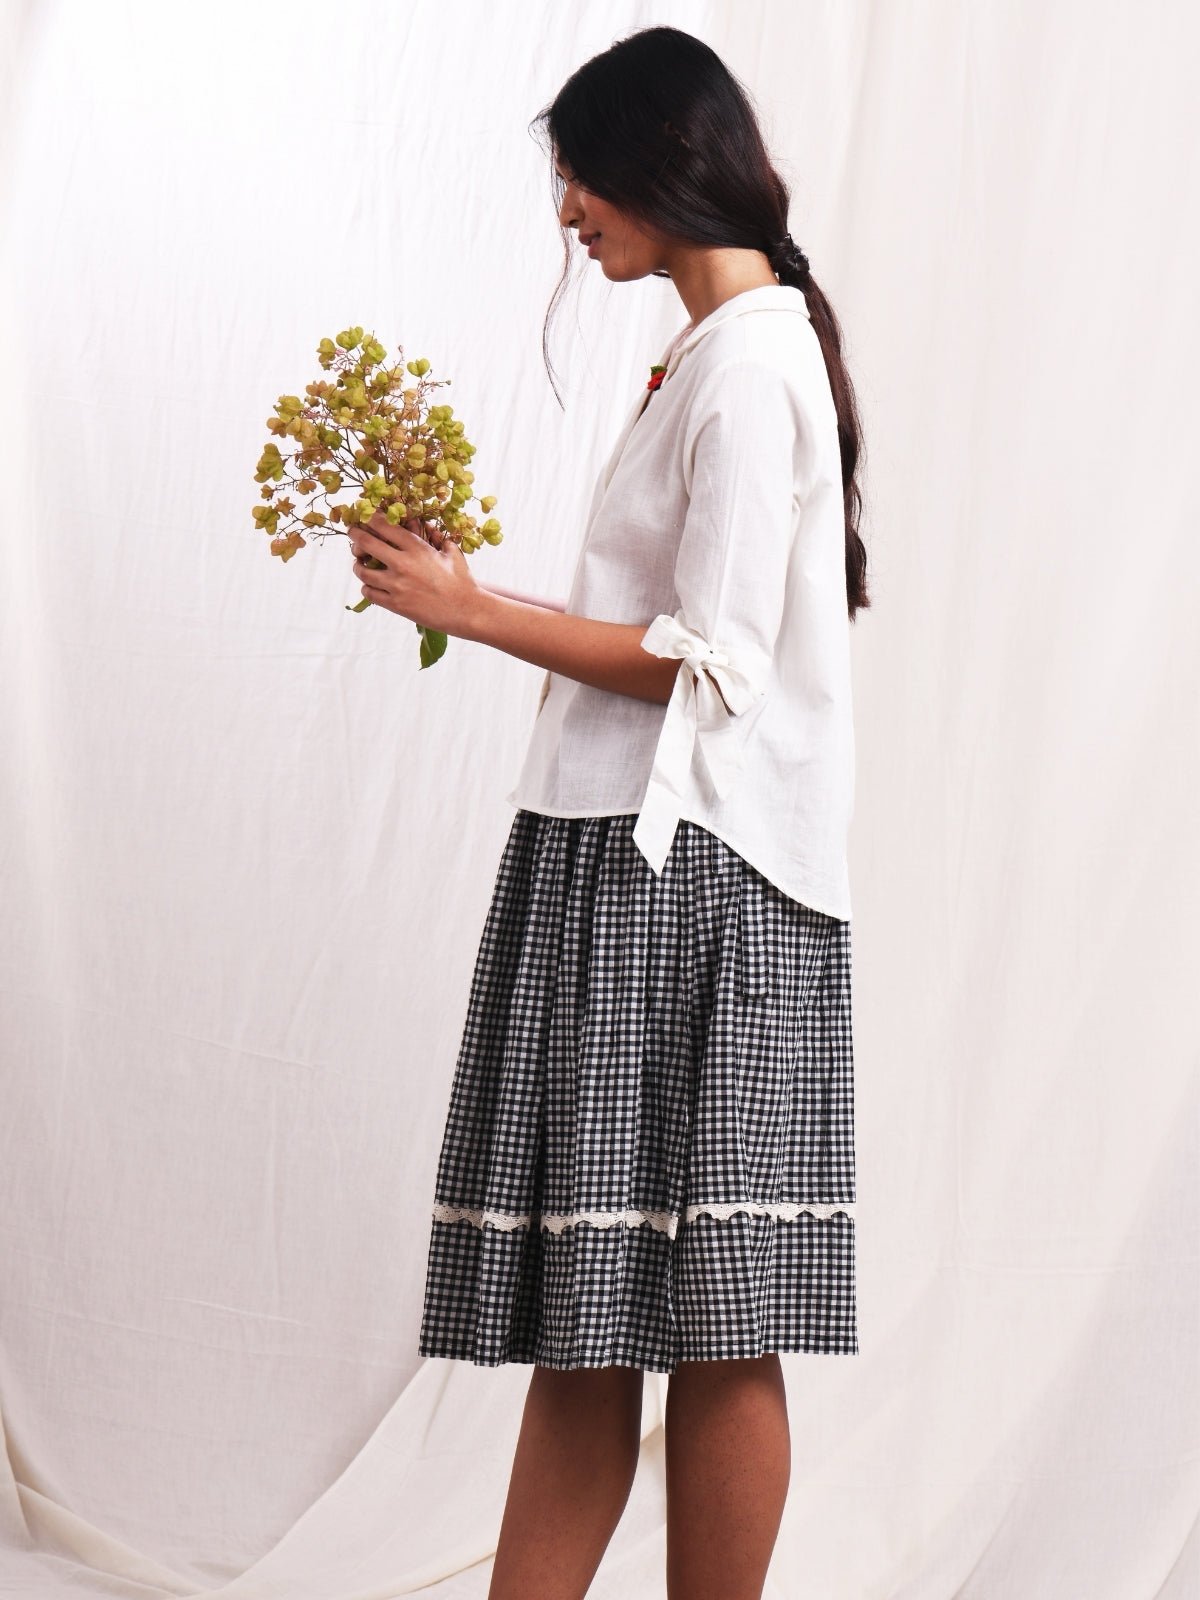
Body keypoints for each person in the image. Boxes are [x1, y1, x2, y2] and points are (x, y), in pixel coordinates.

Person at [348, 24, 870, 1600]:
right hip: (628, 856)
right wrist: (472, 595)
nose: (567, 211)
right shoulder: (716, 354)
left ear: (661, 158)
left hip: (693, 874)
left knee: (718, 1317)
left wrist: (474, 608)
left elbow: (712, 666)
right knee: (595, 1312)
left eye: (581, 173)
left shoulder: (753, 368)